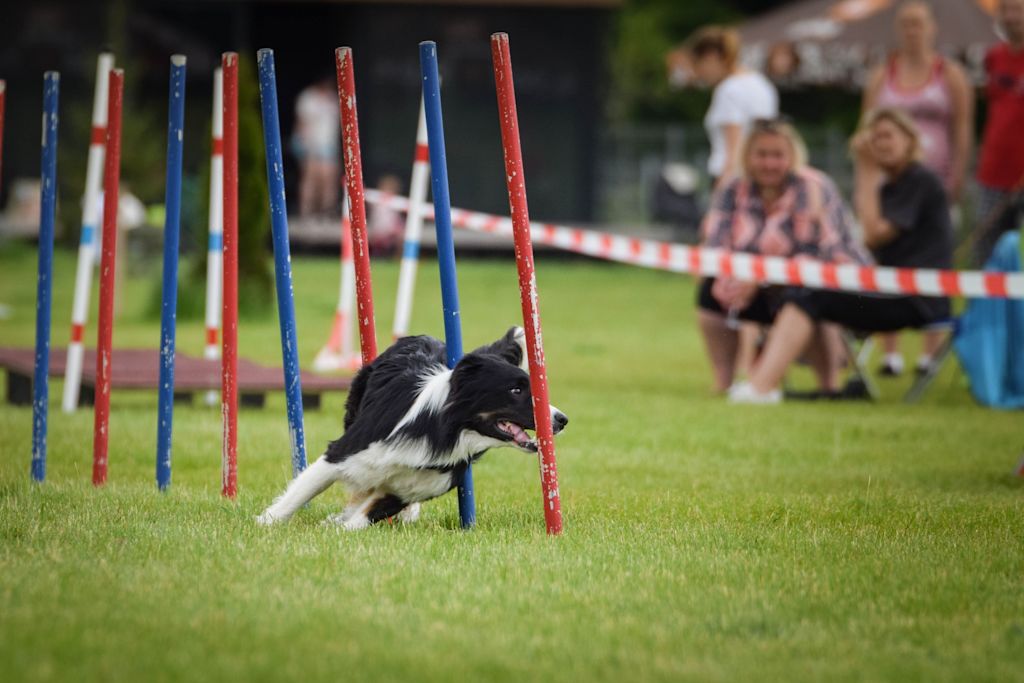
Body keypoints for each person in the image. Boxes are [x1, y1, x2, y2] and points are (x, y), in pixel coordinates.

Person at [729, 108, 954, 404]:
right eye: (874, 138)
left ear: (910, 140)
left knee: (808, 293)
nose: (880, 145)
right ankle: (824, 386)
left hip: (915, 298)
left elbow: (873, 233)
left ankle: (761, 387)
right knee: (808, 288)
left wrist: (866, 172)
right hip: (886, 287)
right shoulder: (891, 185)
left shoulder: (919, 180)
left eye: (887, 136)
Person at [697, 118, 869, 395]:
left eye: (777, 155)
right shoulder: (733, 187)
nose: (769, 163)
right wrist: (724, 276)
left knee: (803, 296)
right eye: (761, 155)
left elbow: (815, 255)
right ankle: (723, 383)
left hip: (834, 285)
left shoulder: (811, 187)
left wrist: (761, 280)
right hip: (757, 284)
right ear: (747, 156)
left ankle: (799, 387)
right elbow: (716, 240)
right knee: (709, 292)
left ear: (792, 156)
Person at [862, 0, 972, 377]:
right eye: (905, 23)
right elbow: (867, 124)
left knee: (934, 259)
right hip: (889, 183)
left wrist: (957, 176)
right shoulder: (883, 73)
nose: (912, 30)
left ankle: (930, 351)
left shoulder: (949, 73)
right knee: (887, 256)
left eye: (918, 23)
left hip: (934, 182)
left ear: (932, 28)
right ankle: (890, 353)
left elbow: (962, 128)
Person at [690, 26, 779, 190]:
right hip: (762, 175)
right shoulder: (762, 84)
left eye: (699, 66)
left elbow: (734, 144)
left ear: (712, 57)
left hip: (732, 177)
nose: (700, 74)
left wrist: (724, 184)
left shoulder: (728, 89)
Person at [974, 0, 1024, 266]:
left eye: (1018, 9)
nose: (1012, 17)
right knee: (987, 249)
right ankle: (986, 307)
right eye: (1006, 10)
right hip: (994, 171)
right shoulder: (993, 57)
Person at [292, 78, 340, 218]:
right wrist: (303, 145)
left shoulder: (332, 99)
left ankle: (325, 213)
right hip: (310, 145)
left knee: (328, 180)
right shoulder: (308, 97)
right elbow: (301, 122)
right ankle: (306, 212)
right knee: (310, 178)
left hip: (328, 146)